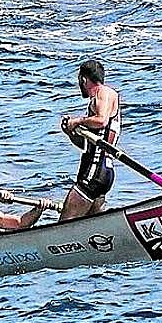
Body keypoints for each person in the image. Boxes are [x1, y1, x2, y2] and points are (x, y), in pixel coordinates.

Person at [59, 59, 121, 220]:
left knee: (65, 224)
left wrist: (77, 121)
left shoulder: (103, 93)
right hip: (101, 171)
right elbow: (87, 145)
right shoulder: (100, 100)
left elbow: (102, 120)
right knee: (93, 227)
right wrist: (70, 132)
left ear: (84, 79)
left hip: (95, 171)